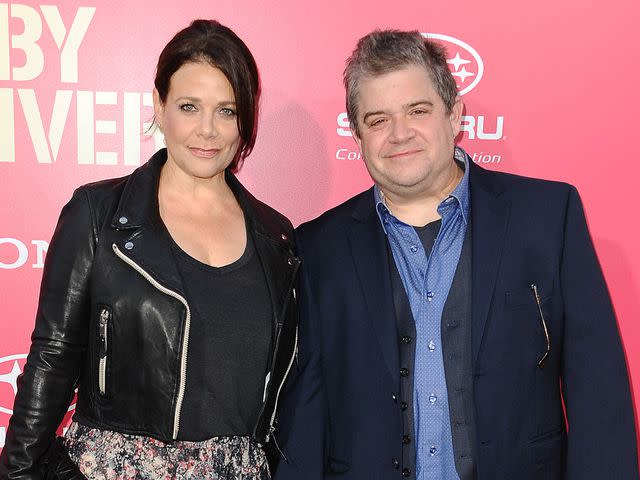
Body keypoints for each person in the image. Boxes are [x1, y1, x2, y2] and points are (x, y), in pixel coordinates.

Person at [273, 29, 638, 480]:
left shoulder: (546, 219)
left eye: (418, 111)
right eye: (378, 119)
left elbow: (597, 391)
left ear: (454, 115)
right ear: (358, 134)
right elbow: (305, 415)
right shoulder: (318, 247)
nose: (399, 133)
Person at [0, 19, 299, 480]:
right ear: (159, 106)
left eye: (226, 110)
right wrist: (18, 472)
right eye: (188, 106)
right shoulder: (99, 215)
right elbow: (52, 358)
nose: (207, 130)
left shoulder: (276, 238)